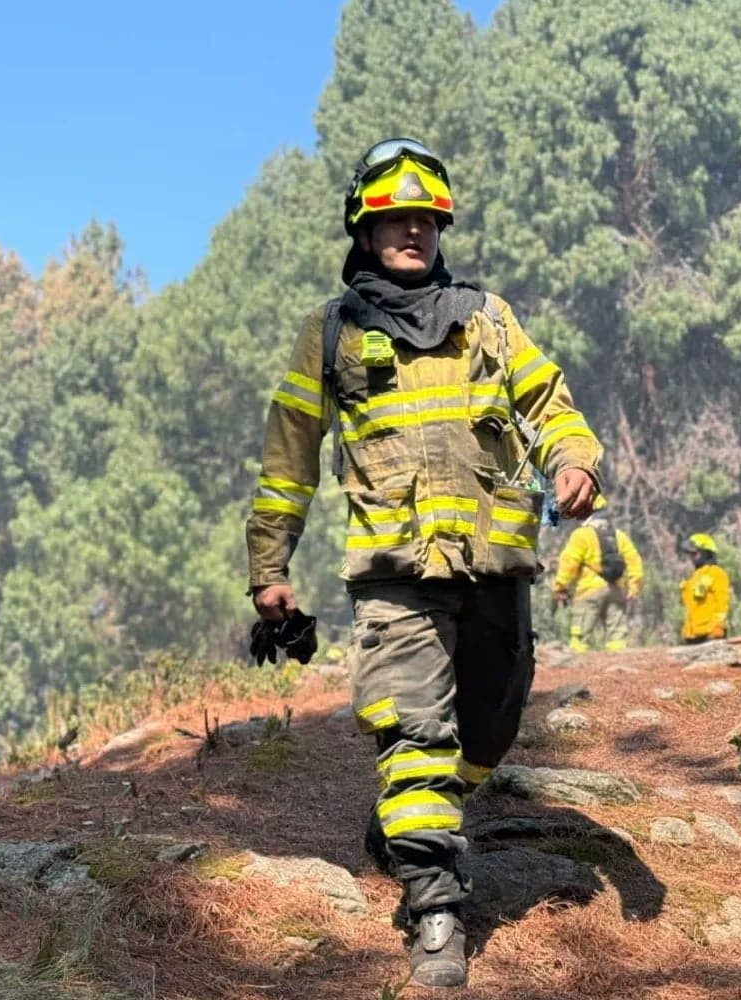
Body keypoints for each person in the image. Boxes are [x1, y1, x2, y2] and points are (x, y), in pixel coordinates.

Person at [245, 137, 602, 989]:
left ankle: (408, 824)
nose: (412, 232)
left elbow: (547, 398)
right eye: (393, 220)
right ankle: (435, 908)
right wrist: (270, 566)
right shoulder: (329, 334)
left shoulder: (487, 316)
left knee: (491, 724)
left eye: (424, 220)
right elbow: (289, 458)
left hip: (494, 565)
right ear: (364, 233)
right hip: (395, 574)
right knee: (415, 735)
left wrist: (573, 458)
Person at [552, 510, 643, 652]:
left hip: (589, 591)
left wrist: (560, 586)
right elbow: (634, 561)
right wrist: (633, 587)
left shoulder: (581, 535)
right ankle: (619, 669)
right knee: (617, 640)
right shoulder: (619, 536)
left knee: (580, 638)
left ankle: (578, 670)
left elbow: (569, 562)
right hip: (616, 590)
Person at [679, 533, 730, 643]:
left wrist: (718, 627)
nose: (691, 558)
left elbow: (722, 603)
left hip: (711, 634)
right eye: (690, 554)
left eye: (695, 554)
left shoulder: (717, 573)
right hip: (693, 635)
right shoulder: (694, 577)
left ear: (706, 553)